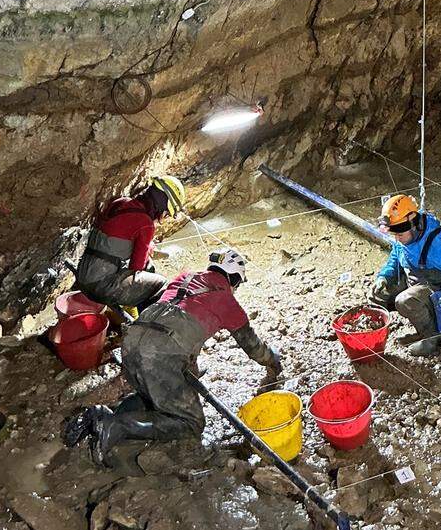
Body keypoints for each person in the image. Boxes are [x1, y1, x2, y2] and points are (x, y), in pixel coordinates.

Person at [65, 248, 282, 462]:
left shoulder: (184, 278)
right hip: (160, 354)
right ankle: (117, 426)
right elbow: (253, 347)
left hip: (132, 341)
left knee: (152, 397)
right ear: (234, 279)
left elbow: (177, 323)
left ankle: (102, 416)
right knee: (190, 423)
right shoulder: (227, 301)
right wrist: (273, 361)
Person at [369, 194, 441, 357]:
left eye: (399, 235)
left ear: (413, 226)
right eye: (394, 235)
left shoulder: (436, 245)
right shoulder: (403, 235)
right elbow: (395, 256)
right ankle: (422, 325)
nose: (397, 238)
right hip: (415, 280)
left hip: (438, 289)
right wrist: (384, 277)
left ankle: (432, 338)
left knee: (405, 301)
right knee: (376, 295)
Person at [73, 175, 186, 320]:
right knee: (160, 284)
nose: (164, 216)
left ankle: (128, 313)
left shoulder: (121, 202)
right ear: (163, 204)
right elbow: (136, 268)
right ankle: (147, 325)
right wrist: (145, 248)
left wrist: (144, 247)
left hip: (83, 275)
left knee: (149, 268)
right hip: (99, 287)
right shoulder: (146, 223)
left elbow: (115, 235)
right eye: (167, 213)